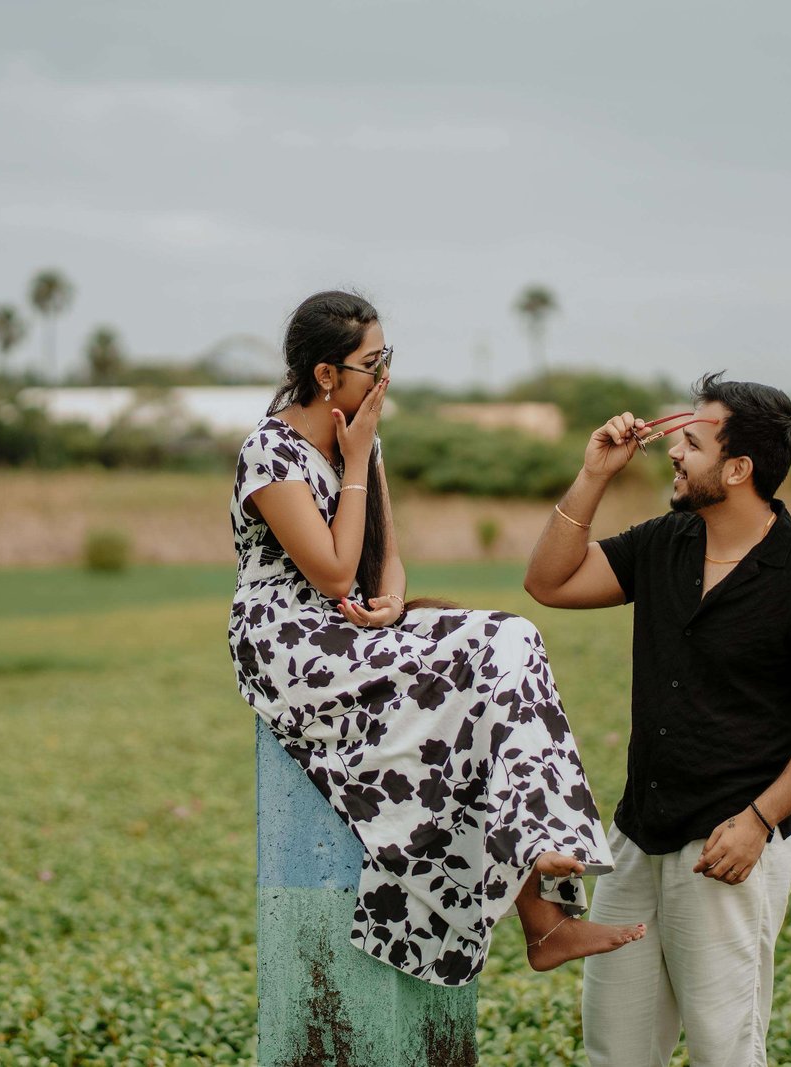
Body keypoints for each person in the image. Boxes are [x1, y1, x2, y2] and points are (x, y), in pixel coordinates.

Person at [230, 290, 644, 986]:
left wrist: (393, 600)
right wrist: (354, 461)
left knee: (512, 637)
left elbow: (384, 555)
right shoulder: (270, 452)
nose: (385, 375)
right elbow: (332, 572)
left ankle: (545, 903)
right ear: (326, 374)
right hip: (290, 644)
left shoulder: (364, 440)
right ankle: (540, 901)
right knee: (477, 667)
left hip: (355, 625)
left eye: (386, 356)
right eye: (371, 363)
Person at [523, 374, 791, 1065]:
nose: (673, 452)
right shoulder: (668, 542)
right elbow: (550, 582)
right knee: (616, 1046)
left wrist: (759, 820)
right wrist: (594, 475)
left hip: (729, 842)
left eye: (691, 442)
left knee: (724, 1048)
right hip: (638, 832)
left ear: (738, 469)